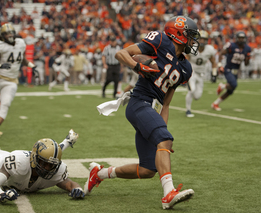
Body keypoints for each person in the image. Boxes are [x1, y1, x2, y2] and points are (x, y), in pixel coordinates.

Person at [84, 16, 200, 210]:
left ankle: (99, 174)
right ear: (178, 34)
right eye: (190, 36)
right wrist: (138, 66)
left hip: (152, 109)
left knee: (147, 170)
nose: (193, 41)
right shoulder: (161, 40)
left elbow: (167, 104)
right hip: (139, 103)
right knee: (163, 139)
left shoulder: (186, 68)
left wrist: (162, 133)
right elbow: (122, 53)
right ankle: (168, 194)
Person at [0, 79, 85, 202]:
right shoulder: (19, 163)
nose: (47, 168)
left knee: (49, 155)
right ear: (33, 159)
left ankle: (66, 142)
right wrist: (0, 194)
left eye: (51, 165)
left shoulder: (56, 170)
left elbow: (70, 184)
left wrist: (78, 189)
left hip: (32, 157)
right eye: (44, 164)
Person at [0, 23, 37, 138]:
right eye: (6, 33)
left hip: (12, 81)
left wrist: (31, 65)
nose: (9, 35)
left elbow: (22, 58)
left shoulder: (20, 43)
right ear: (2, 36)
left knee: (5, 104)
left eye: (10, 32)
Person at [211, 31, 251, 111]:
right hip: (228, 69)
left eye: (243, 38)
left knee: (230, 91)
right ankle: (222, 86)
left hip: (236, 70)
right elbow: (221, 53)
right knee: (234, 84)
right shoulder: (232, 45)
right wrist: (219, 65)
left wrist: (247, 58)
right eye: (240, 38)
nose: (241, 40)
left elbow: (246, 64)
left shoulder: (247, 48)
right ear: (236, 38)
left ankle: (215, 103)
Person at [185, 30, 217, 117]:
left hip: (201, 74)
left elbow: (213, 62)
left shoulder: (209, 49)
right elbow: (186, 59)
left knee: (197, 96)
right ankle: (188, 110)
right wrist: (185, 72)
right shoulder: (192, 48)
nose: (202, 41)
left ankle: (190, 89)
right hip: (192, 72)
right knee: (191, 90)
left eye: (204, 39)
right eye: (201, 39)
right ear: (197, 39)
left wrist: (214, 74)